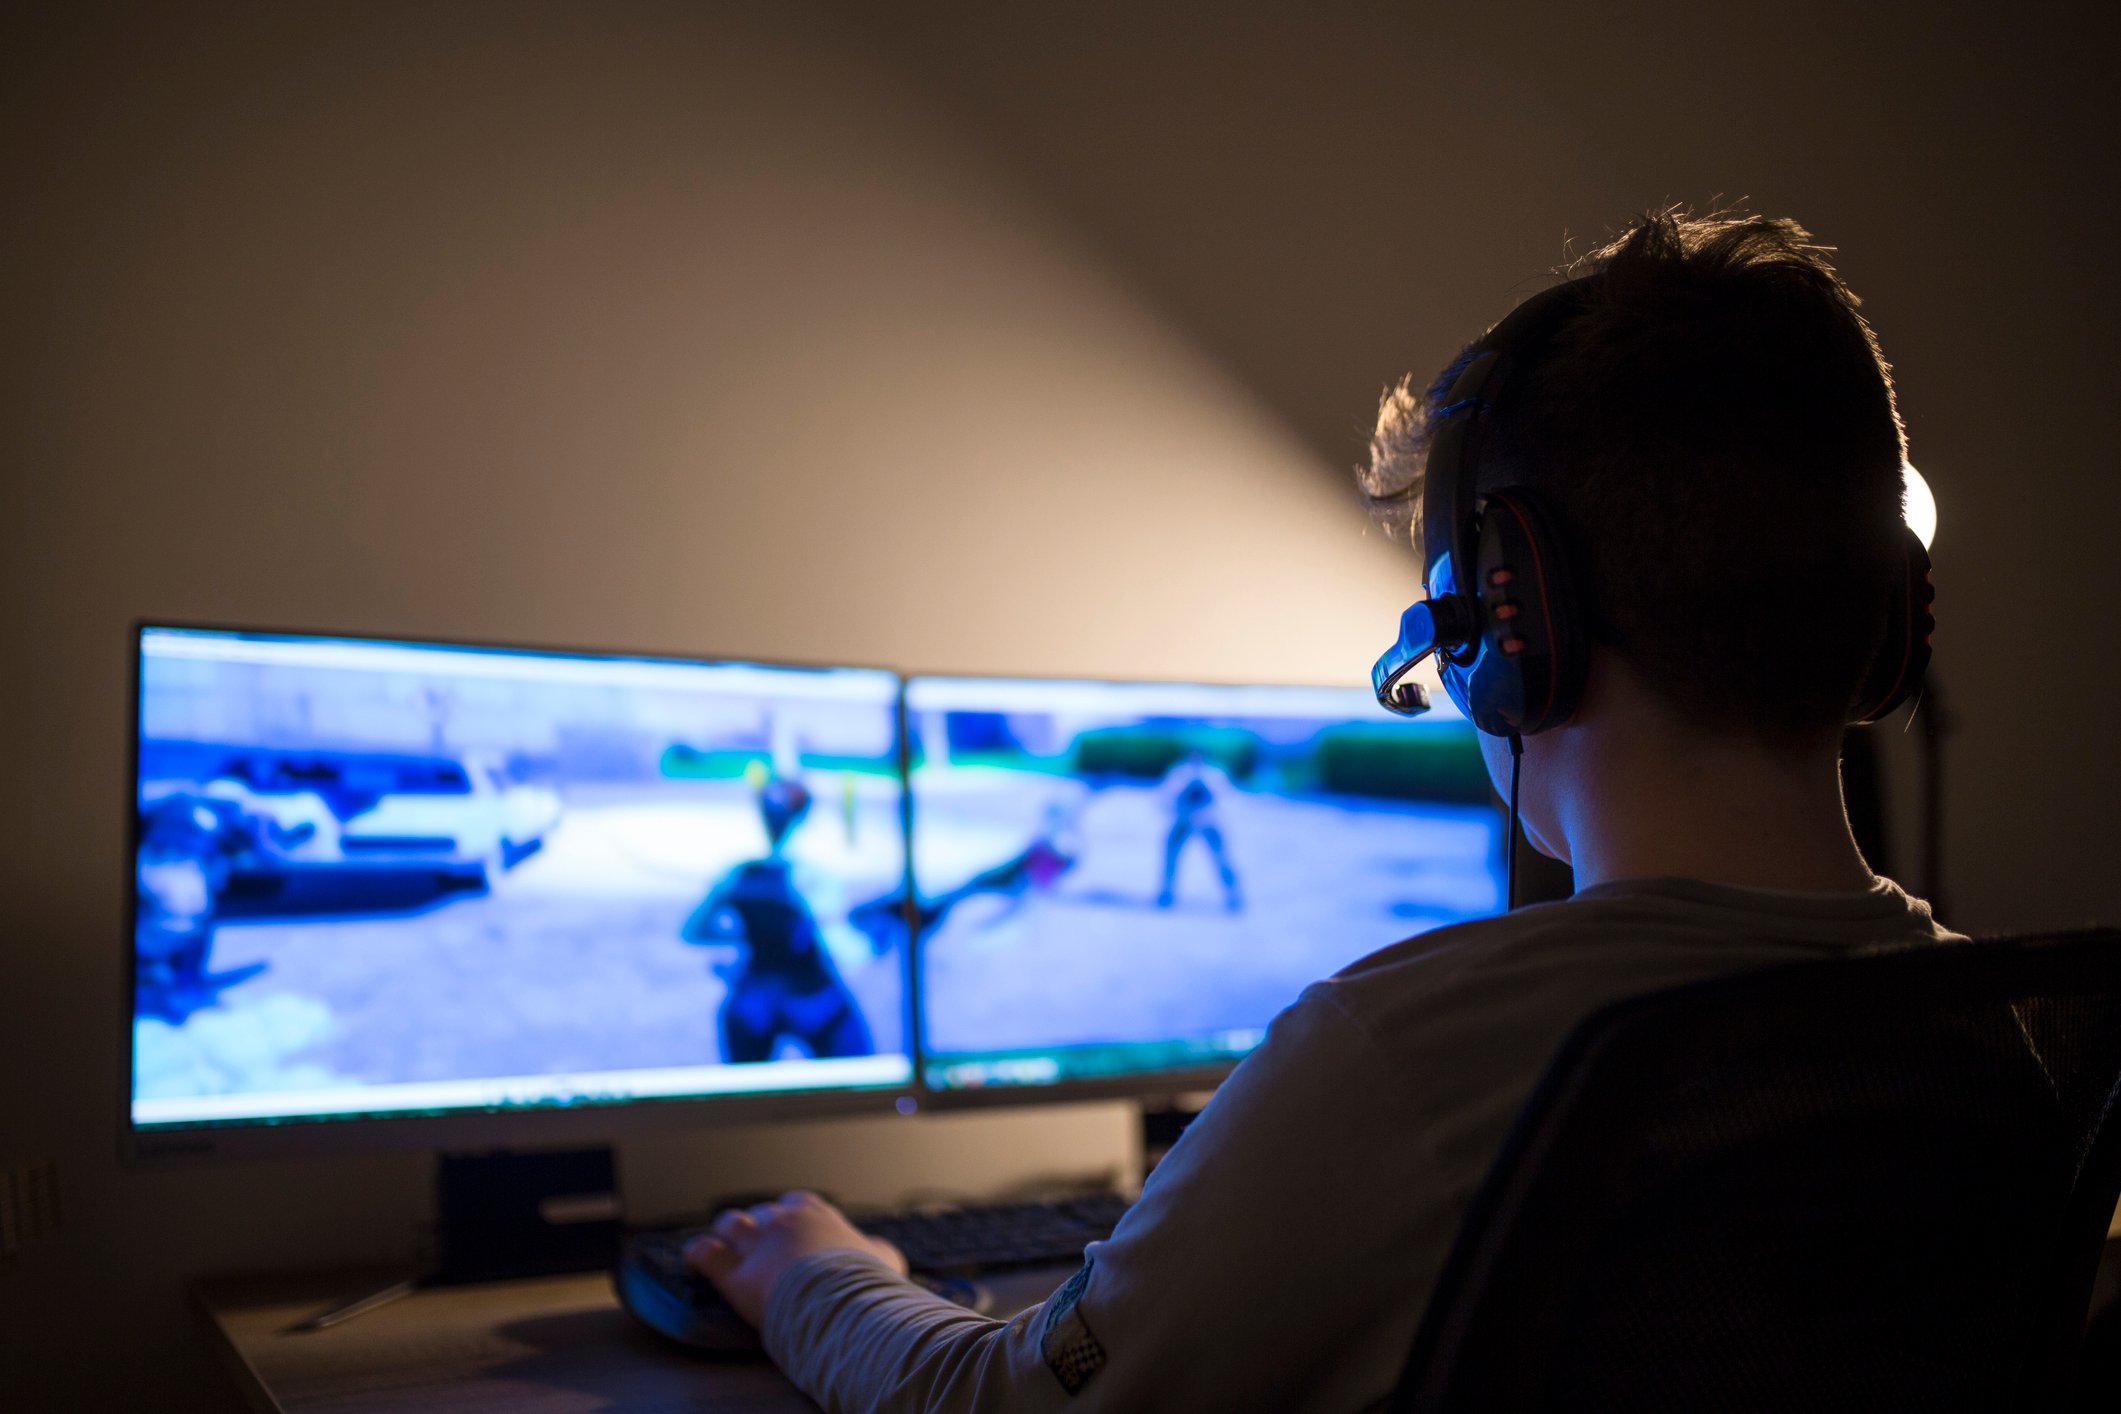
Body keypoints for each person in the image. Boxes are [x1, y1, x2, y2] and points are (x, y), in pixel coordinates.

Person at [678, 210, 1960, 1410]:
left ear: (1508, 629)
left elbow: (997, 1400)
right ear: (1892, 616)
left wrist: (812, 1265)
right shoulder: (1997, 1035)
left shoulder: (1405, 1056)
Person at [683, 774, 875, 1063]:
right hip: (809, 996)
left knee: (746, 1098)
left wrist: (746, 935)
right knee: (861, 1081)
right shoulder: (813, 877)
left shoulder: (740, 874)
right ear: (804, 815)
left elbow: (694, 931)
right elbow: (843, 950)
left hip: (755, 996)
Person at [1155, 750, 1242, 911]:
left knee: (1221, 859)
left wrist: (1204, 786)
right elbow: (1166, 796)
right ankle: (1166, 892)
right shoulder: (1179, 774)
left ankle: (1233, 894)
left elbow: (1224, 796)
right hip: (1184, 819)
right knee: (1171, 858)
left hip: (1209, 820)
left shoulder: (1213, 775)